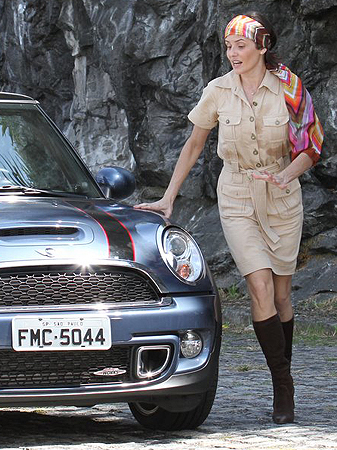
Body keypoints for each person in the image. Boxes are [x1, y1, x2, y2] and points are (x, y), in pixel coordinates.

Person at [135, 12, 323, 424]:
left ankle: (282, 374)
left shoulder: (289, 88)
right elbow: (194, 144)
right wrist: (168, 198)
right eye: (228, 46)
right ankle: (283, 385)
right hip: (236, 194)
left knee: (280, 295)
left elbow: (311, 146)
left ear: (262, 46)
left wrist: (285, 175)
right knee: (258, 287)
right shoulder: (218, 91)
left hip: (282, 196)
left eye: (240, 45)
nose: (233, 53)